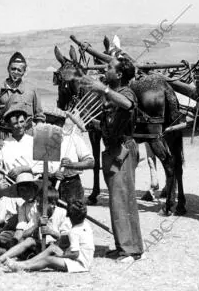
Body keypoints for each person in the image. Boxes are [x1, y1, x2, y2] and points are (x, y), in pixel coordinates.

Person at [80, 56, 144, 263]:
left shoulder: (126, 93)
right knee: (118, 201)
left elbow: (127, 105)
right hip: (114, 150)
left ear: (119, 74)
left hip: (123, 150)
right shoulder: (113, 95)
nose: (104, 69)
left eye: (109, 67)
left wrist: (104, 90)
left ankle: (131, 250)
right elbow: (110, 124)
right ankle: (123, 246)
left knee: (123, 200)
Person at [0, 182, 70, 268]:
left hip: (56, 249)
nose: (37, 205)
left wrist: (51, 232)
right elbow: (24, 234)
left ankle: (22, 263)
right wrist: (36, 226)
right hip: (41, 247)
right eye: (37, 201)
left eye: (41, 202)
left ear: (52, 204)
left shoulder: (62, 213)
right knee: (29, 240)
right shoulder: (37, 213)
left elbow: (66, 240)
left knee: (50, 248)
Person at [4, 200, 94, 273]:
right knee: (53, 247)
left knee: (48, 260)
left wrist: (60, 257)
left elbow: (75, 254)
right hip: (87, 259)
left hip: (79, 264)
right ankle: (25, 263)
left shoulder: (74, 231)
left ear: (69, 217)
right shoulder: (86, 225)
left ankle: (25, 267)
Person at [0, 52, 45, 157]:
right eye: (13, 69)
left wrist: (37, 141)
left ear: (24, 72)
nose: (15, 72)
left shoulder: (32, 90)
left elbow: (39, 118)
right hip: (4, 136)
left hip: (27, 135)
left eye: (19, 70)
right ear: (8, 69)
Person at [49, 112, 94, 205]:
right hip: (51, 185)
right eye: (50, 122)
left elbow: (90, 162)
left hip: (72, 185)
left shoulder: (73, 138)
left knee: (74, 216)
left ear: (62, 123)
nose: (54, 125)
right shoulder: (44, 140)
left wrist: (71, 165)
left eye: (57, 122)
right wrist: (52, 174)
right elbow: (37, 167)